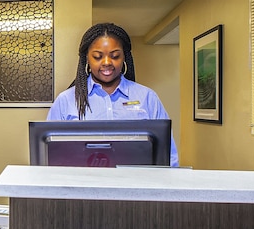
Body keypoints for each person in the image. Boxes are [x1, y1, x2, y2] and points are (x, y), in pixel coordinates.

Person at [47, 22, 179, 167]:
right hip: (81, 184)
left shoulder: (147, 97)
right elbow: (50, 154)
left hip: (136, 185)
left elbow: (168, 155)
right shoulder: (66, 101)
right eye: (97, 57)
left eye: (115, 56)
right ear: (86, 59)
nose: (107, 62)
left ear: (124, 57)